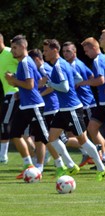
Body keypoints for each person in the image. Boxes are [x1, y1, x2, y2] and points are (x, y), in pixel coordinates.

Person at [42, 39, 105, 181]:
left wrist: (49, 83)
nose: (44, 53)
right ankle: (71, 165)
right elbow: (77, 78)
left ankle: (101, 168)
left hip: (72, 109)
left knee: (83, 140)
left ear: (55, 50)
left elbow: (65, 87)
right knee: (51, 137)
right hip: (64, 109)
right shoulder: (65, 64)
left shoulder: (59, 66)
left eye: (46, 51)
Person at [4, 35, 64, 178]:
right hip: (26, 105)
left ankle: (62, 165)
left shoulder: (25, 62)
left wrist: (13, 81)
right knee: (14, 134)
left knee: (44, 138)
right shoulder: (25, 62)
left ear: (23, 47)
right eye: (12, 48)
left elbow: (30, 85)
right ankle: (28, 165)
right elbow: (36, 81)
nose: (12, 51)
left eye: (14, 48)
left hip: (34, 105)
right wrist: (18, 86)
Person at [80, 37, 105, 168]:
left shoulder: (97, 60)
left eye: (87, 51)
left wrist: (83, 83)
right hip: (103, 103)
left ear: (93, 48)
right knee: (92, 128)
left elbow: (100, 80)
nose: (86, 53)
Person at [62, 41, 99, 167]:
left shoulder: (75, 65)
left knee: (90, 132)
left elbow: (89, 78)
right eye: (64, 51)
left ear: (74, 52)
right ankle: (88, 153)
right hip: (78, 103)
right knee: (74, 133)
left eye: (68, 51)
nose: (65, 54)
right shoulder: (76, 64)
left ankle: (104, 156)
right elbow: (91, 75)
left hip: (86, 103)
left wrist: (82, 85)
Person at [0, 33, 19, 164]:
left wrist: (16, 76)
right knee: (21, 131)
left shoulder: (10, 52)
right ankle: (39, 155)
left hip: (15, 92)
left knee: (4, 123)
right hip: (7, 93)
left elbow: (26, 64)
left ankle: (3, 156)